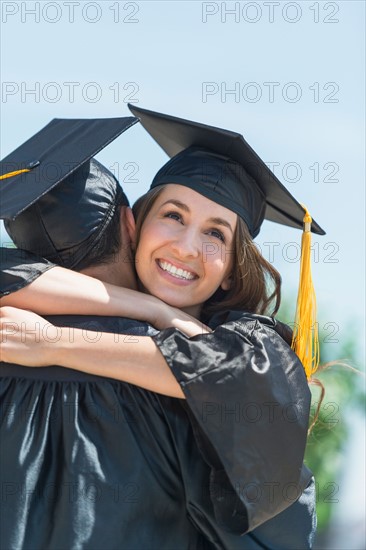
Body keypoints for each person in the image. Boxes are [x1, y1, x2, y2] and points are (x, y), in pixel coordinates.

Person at [0, 108, 319, 548]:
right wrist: (153, 310)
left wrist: (54, 342)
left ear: (230, 269)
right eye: (173, 215)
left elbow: (230, 373)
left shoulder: (250, 344)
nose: (186, 247)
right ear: (135, 225)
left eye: (216, 234)